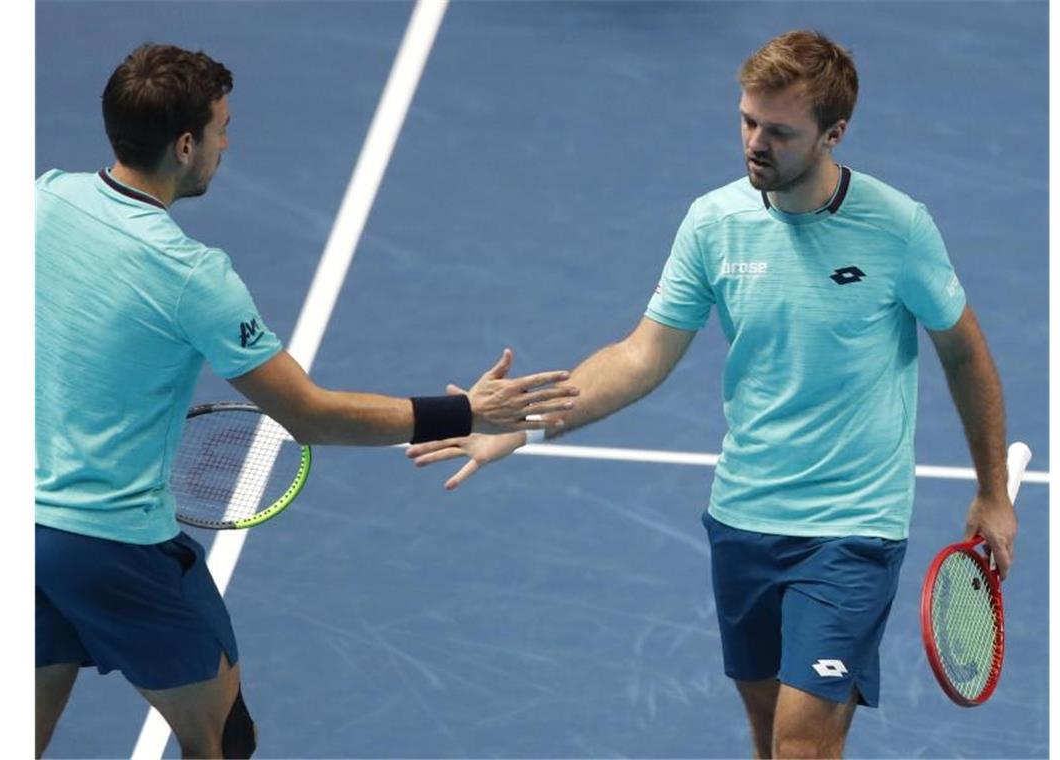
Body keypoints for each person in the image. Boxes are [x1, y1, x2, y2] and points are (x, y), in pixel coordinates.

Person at [406, 29, 1018, 759]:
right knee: (769, 736)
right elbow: (640, 355)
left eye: (780, 131)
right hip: (745, 519)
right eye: (747, 121)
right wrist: (527, 423)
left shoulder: (897, 229)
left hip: (853, 528)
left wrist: (991, 491)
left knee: (800, 744)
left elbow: (964, 352)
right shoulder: (715, 223)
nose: (756, 143)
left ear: (833, 134)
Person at [35, 43, 579, 759]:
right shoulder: (190, 275)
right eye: (221, 128)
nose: (228, 143)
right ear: (186, 143)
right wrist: (467, 413)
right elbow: (309, 413)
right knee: (221, 740)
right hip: (111, 544)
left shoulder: (38, 198)